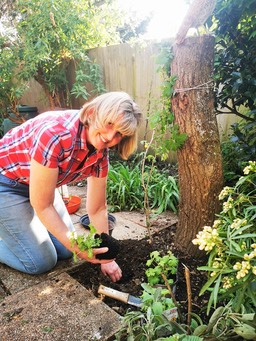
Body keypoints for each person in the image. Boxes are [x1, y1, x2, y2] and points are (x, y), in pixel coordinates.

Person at [0, 91, 142, 282]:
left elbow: (98, 209)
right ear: (92, 113)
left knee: (67, 251)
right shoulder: (55, 135)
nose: (110, 136)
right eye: (109, 124)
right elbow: (42, 204)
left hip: (40, 186)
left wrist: (106, 258)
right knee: (41, 262)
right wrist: (78, 248)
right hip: (7, 184)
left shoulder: (100, 152)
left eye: (119, 133)